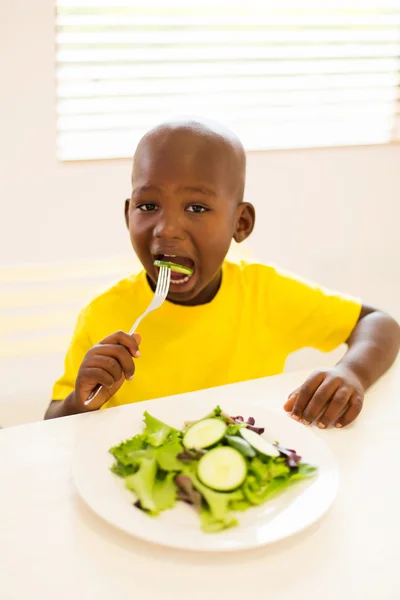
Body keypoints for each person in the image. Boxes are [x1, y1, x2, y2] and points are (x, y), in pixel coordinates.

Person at [45, 119, 400, 427]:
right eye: (148, 205)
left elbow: (380, 324)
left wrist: (350, 372)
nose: (166, 229)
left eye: (196, 207)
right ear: (128, 215)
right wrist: (80, 401)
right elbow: (52, 423)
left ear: (240, 223)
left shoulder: (265, 293)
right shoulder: (103, 314)